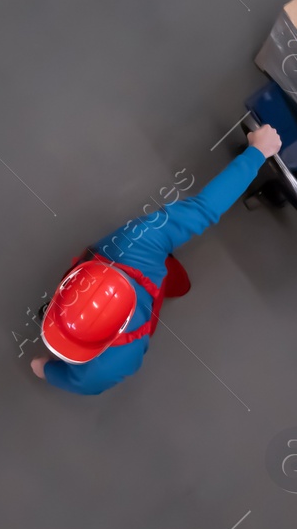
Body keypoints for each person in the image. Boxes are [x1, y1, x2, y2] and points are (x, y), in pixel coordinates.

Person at [32, 124, 283, 395]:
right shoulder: (135, 241)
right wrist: (258, 151)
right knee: (176, 279)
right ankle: (172, 277)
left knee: (171, 282)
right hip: (147, 262)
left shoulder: (106, 370)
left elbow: (40, 366)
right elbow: (205, 207)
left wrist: (45, 368)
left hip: (144, 288)